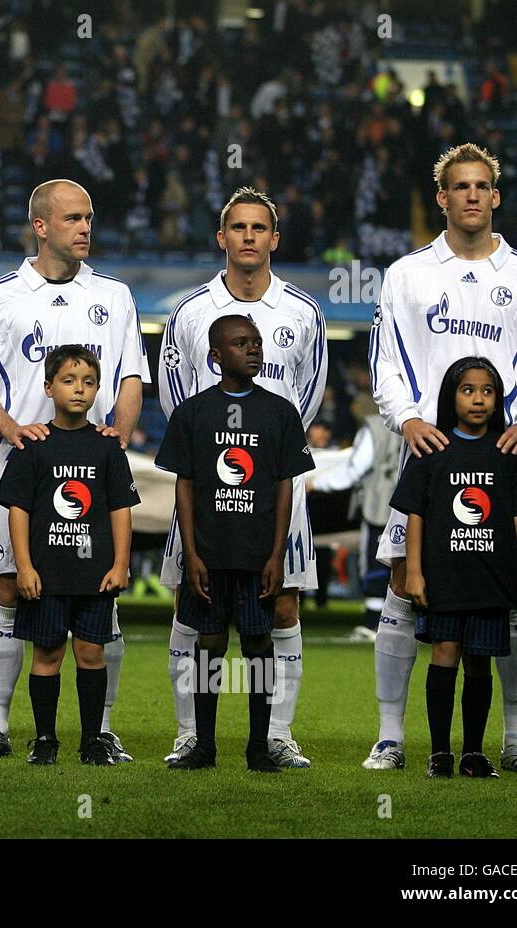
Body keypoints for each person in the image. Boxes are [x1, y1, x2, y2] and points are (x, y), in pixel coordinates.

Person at [365, 143, 517, 774]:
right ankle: (391, 738)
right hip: (429, 459)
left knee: (515, 601)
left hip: (505, 463)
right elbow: (386, 366)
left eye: (483, 186)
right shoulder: (406, 275)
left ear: (496, 197)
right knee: (404, 595)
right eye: (461, 186)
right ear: (442, 198)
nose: (473, 195)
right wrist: (409, 419)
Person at [0, 178, 150, 761]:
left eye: (89, 217)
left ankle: (101, 729)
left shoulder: (114, 296)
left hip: (92, 472)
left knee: (101, 594)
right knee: (10, 588)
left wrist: (120, 429)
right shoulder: (2, 296)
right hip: (23, 471)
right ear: (41, 226)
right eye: (72, 218)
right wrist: (11, 429)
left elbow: (132, 376)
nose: (85, 227)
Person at [157, 186, 327, 768]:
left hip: (275, 489)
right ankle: (191, 735)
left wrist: (266, 456)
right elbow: (179, 402)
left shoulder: (304, 312)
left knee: (281, 607)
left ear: (274, 240)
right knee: (190, 604)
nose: (249, 237)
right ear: (222, 238)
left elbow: (305, 402)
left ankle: (275, 735)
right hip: (203, 492)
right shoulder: (188, 312)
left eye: (260, 228)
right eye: (239, 228)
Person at [390, 357, 517, 778]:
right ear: (451, 396)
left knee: (479, 661)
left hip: (492, 577)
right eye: (468, 390)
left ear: (498, 400)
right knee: (444, 655)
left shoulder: (509, 453)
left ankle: (474, 753)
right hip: (444, 576)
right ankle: (440, 753)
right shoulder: (431, 450)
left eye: (488, 391)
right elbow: (415, 515)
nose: (478, 399)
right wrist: (415, 570)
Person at [0, 346, 139, 766]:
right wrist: (24, 566)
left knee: (91, 654)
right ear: (48, 387)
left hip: (94, 574)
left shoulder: (108, 447)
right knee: (48, 655)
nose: (79, 389)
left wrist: (120, 564)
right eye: (69, 381)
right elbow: (17, 509)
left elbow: (120, 510)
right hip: (46, 575)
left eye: (89, 382)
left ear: (98, 391)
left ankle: (93, 740)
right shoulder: (32, 445)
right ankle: (44, 740)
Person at [306, 393, 402, 640]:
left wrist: (318, 484)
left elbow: (354, 469)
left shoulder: (373, 427)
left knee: (377, 564)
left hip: (382, 504)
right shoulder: (419, 422)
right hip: (412, 505)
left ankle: (374, 625)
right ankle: (404, 624)